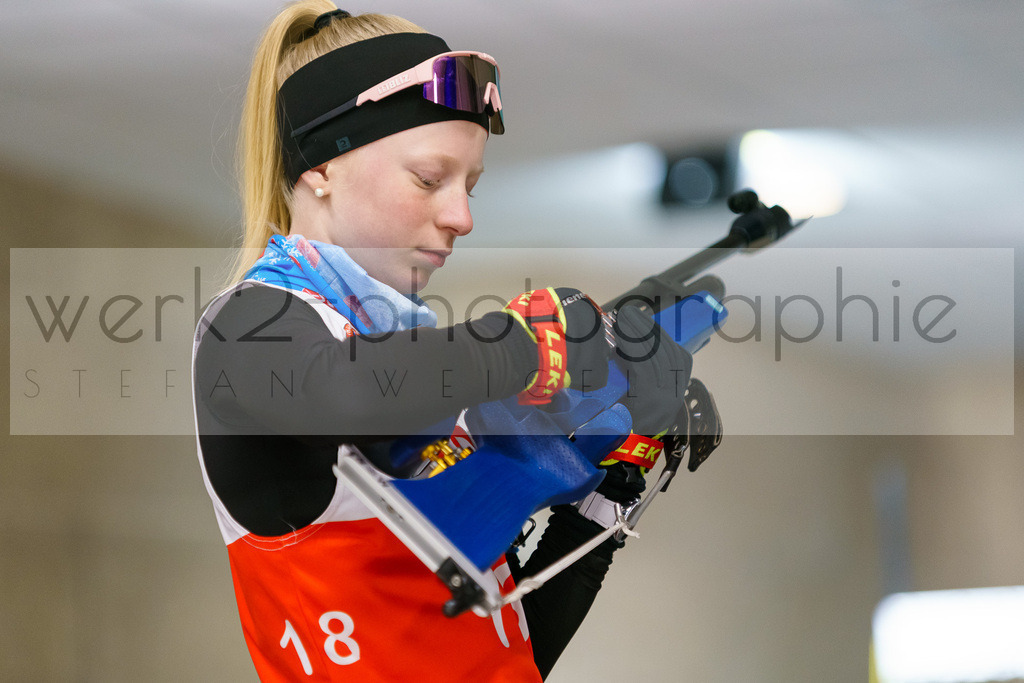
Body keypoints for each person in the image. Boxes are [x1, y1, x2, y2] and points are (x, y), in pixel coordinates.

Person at [192, 3, 692, 680]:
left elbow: (505, 654)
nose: (461, 216)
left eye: (470, 185)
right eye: (430, 178)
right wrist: (521, 342)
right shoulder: (248, 325)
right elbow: (346, 389)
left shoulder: (419, 366)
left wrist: (614, 482)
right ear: (319, 163)